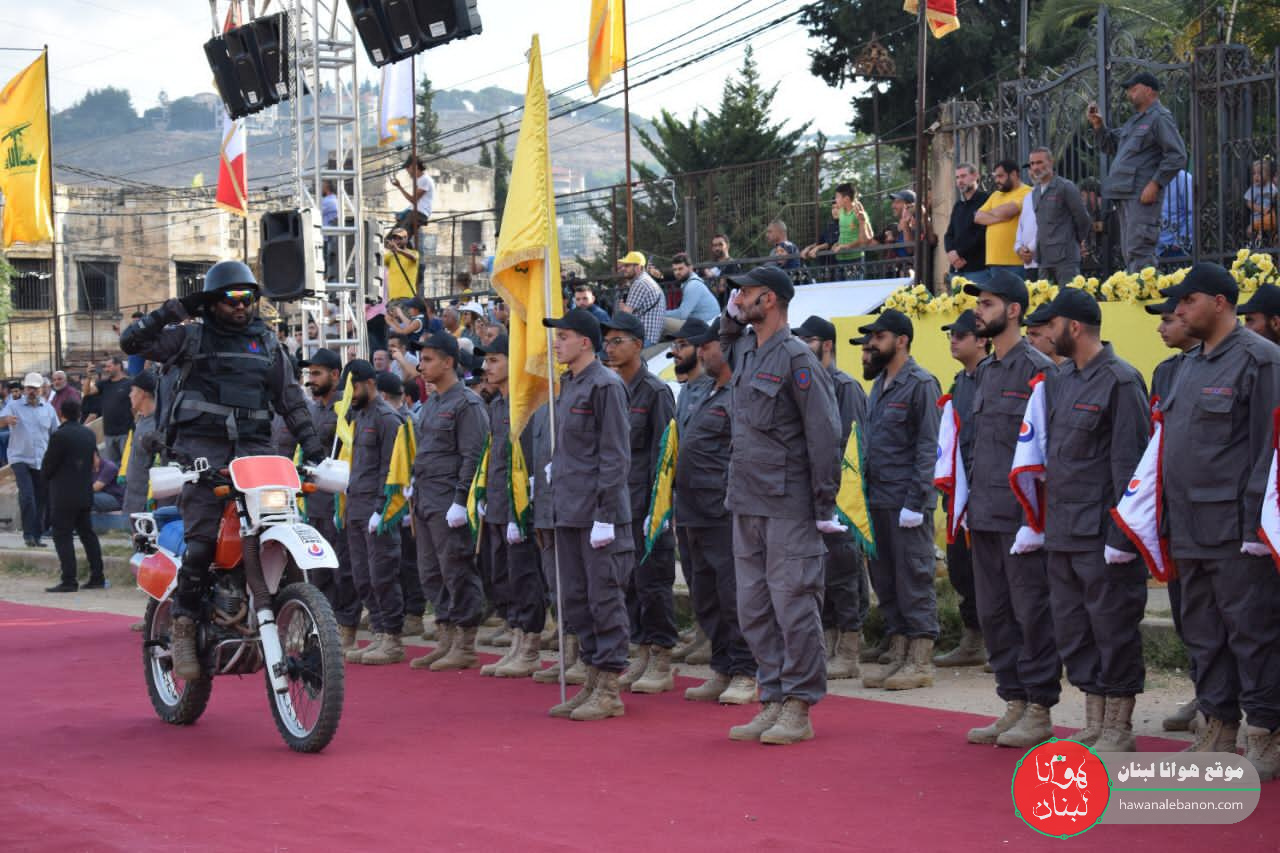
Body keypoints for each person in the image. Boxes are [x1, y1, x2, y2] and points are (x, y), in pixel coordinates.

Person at [120, 260, 326, 681]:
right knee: (201, 544)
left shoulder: (266, 344)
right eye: (232, 298)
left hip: (254, 454)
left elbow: (291, 402)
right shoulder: (188, 337)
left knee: (278, 529)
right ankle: (183, 625)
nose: (241, 305)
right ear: (213, 301)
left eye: (248, 297)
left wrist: (316, 451)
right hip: (200, 455)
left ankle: (297, 618)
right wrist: (175, 309)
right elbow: (133, 342)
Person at [1158, 263, 1280, 780]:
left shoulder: (1261, 360)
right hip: (1189, 528)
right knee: (1203, 634)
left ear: (1219, 302)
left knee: (1252, 634)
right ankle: (1219, 729)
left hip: (1235, 531)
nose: (1179, 309)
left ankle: (1266, 733)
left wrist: (1257, 527)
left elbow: (1270, 447)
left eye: (1188, 300)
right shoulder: (1188, 366)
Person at [719, 266, 841, 745]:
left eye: (746, 292)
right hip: (746, 500)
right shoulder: (748, 351)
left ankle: (799, 705)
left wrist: (823, 504)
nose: (737, 298)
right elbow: (725, 336)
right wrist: (731, 315)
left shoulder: (797, 358)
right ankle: (771, 697)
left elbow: (824, 435)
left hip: (788, 503)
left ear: (769, 299)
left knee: (794, 606)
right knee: (754, 608)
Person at [1038, 288, 1150, 752]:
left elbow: (1130, 466)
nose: (1046, 333)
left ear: (1074, 327)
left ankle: (1118, 726)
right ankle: (1095, 717)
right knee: (1072, 627)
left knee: (1113, 626)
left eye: (1051, 324)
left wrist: (1122, 537)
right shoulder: (1062, 378)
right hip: (1063, 529)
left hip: (1102, 534)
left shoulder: (1121, 381)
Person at [962, 270, 1061, 747]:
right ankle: (1014, 703)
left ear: (1014, 310)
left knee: (1031, 615)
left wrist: (1036, 522)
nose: (978, 311)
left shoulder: (1040, 371)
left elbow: (1049, 452)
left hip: (1022, 521)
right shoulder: (986, 371)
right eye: (978, 303)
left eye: (987, 303)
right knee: (994, 615)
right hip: (984, 513)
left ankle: (1039, 709)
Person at [540, 308, 634, 721]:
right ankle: (593, 678)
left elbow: (615, 455)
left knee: (604, 599)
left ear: (584, 342)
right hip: (569, 510)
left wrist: (606, 514)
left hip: (598, 514)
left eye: (563, 337)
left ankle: (610, 687)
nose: (556, 343)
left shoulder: (605, 385)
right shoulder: (570, 383)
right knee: (576, 600)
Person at [856, 310, 942, 691]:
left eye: (880, 336)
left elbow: (929, 446)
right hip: (878, 499)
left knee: (914, 577)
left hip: (907, 502)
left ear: (902, 340)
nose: (872, 343)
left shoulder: (921, 384)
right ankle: (899, 651)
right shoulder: (880, 384)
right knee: (886, 580)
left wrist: (917, 500)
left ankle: (920, 660)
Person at [676, 317, 757, 703]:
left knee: (733, 594)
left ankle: (746, 671)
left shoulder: (740, 393)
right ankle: (722, 667)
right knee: (705, 595)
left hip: (723, 512)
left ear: (724, 349)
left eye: (706, 346)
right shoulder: (706, 392)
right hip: (692, 511)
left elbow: (744, 451)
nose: (702, 353)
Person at [602, 312, 678, 694]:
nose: (610, 348)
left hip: (647, 504)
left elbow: (665, 453)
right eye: (607, 342)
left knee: (653, 584)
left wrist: (658, 508)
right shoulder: (613, 388)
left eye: (618, 341)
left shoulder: (655, 392)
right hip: (620, 504)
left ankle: (662, 657)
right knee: (628, 584)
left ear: (638, 344)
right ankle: (642, 650)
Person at [793, 315, 870, 681]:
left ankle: (850, 647)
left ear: (826, 345)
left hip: (841, 493)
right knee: (819, 572)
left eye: (807, 340)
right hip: (810, 491)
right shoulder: (805, 384)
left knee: (844, 570)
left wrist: (838, 491)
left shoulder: (845, 387)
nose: (801, 347)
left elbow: (853, 446)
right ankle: (827, 641)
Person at [408, 332, 490, 672]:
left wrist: (461, 499)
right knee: (430, 572)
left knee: (457, 569)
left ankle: (465, 643)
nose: (421, 366)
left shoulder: (467, 404)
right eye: (421, 359)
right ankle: (445, 638)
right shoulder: (431, 404)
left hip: (448, 501)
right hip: (426, 499)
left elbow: (473, 455)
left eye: (428, 359)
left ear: (449, 362)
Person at [1143, 295, 1199, 732]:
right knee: (1187, 612)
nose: (1162, 328)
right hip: (1173, 509)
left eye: (1168, 319)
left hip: (1215, 511)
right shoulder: (1164, 371)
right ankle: (1204, 693)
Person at [476, 333, 547, 678]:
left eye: (494, 360)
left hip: (521, 505)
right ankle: (516, 637)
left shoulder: (527, 403)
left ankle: (530, 646)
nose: (486, 367)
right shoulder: (496, 406)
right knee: (502, 575)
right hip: (498, 503)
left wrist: (526, 503)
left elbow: (531, 458)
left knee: (525, 575)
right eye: (486, 360)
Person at [340, 360, 410, 666]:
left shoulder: (387, 418)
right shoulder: (358, 416)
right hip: (356, 506)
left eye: (353, 387)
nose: (350, 395)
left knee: (383, 574)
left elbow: (390, 469)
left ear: (370, 383)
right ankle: (379, 632)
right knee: (362, 576)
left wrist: (382, 507)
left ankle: (392, 638)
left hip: (376, 509)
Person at [933, 310, 989, 667]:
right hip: (960, 494)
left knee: (992, 572)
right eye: (950, 335)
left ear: (981, 340)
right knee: (960, 568)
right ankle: (972, 640)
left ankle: (1002, 642)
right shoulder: (960, 382)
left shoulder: (993, 377)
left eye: (960, 335)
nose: (953, 341)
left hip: (989, 490)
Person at [1088, 72, 1188, 271]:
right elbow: (1111, 145)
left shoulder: (1160, 117)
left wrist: (1155, 184)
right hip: (1125, 193)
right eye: (1129, 91)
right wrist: (1098, 125)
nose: (1129, 94)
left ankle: (1146, 290)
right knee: (1130, 252)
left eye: (1134, 89)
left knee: (1139, 251)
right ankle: (1138, 288)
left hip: (1141, 195)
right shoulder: (1135, 122)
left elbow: (1178, 155)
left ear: (1149, 90)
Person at [298, 348, 361, 650]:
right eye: (309, 374)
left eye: (317, 373)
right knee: (317, 568)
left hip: (339, 501)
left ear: (335, 375)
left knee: (342, 568)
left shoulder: (346, 409)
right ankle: (323, 625)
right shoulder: (312, 411)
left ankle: (347, 626)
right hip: (314, 500)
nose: (311, 379)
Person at [41, 399, 105, 592]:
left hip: (63, 494)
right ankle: (97, 576)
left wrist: (45, 478)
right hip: (84, 491)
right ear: (79, 414)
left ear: (61, 414)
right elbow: (94, 461)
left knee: (63, 535)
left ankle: (69, 579)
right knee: (88, 534)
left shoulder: (59, 435)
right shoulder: (88, 433)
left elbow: (49, 465)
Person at [0, 372, 57, 548]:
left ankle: (37, 536)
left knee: (40, 499)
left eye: (35, 388)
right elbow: (1, 421)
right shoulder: (13, 405)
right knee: (27, 497)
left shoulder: (48, 409)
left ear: (41, 390)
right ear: (25, 389)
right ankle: (28, 534)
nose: (31, 391)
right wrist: (5, 420)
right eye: (29, 388)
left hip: (41, 460)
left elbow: (56, 433)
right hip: (20, 458)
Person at [1027, 146, 1092, 283]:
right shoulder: (1035, 192)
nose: (1035, 167)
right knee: (1043, 296)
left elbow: (1083, 219)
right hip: (1043, 259)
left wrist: (1076, 241)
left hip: (1065, 258)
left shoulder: (1065, 186)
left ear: (1051, 162)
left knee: (1068, 295)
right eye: (1032, 164)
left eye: (1039, 162)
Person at [973, 161, 1032, 283]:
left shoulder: (1027, 191)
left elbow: (1010, 210)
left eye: (1000, 176)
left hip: (1016, 261)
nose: (997, 180)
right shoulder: (995, 195)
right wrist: (1001, 217)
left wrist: (991, 214)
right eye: (995, 177)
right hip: (994, 262)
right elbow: (977, 217)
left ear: (1014, 174)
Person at [122, 370, 160, 517]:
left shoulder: (156, 426)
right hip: (132, 499)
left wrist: (151, 499)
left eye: (132, 390)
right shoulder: (140, 421)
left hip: (146, 505)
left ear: (142, 393)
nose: (130, 395)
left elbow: (158, 465)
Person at [944, 164, 989, 278]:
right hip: (956, 268)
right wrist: (951, 254)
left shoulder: (986, 200)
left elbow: (982, 233)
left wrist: (959, 253)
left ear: (975, 176)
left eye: (963, 176)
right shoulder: (958, 205)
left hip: (978, 268)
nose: (960, 181)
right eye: (957, 177)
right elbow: (949, 234)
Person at [616, 251, 664, 346]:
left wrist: (622, 308)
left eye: (627, 266)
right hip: (649, 337)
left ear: (638, 267)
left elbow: (625, 315)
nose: (623, 269)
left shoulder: (640, 283)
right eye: (624, 266)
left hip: (643, 339)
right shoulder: (645, 280)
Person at [662, 253, 719, 332]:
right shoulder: (689, 282)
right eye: (675, 270)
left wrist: (660, 313)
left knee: (660, 320)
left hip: (706, 327)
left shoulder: (693, 285)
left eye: (680, 269)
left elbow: (682, 314)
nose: (677, 272)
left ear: (690, 268)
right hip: (702, 324)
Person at [94, 356, 134, 464]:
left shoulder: (130, 383)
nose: (106, 369)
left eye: (109, 366)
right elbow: (87, 392)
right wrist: (88, 377)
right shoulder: (104, 384)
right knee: (112, 467)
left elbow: (136, 407)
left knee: (126, 465)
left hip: (125, 433)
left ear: (118, 366)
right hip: (108, 433)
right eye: (105, 367)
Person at [830, 183, 875, 271]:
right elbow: (846, 233)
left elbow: (868, 238)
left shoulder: (859, 213)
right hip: (840, 258)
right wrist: (837, 243)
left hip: (855, 259)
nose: (835, 200)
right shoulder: (840, 211)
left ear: (846, 199)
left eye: (837, 197)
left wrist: (847, 246)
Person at [392, 153, 435, 237]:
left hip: (419, 213)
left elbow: (413, 200)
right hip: (412, 212)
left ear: (414, 167)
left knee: (399, 237)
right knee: (392, 238)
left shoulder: (425, 180)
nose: (407, 171)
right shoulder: (419, 180)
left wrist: (400, 187)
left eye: (407, 168)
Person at [1158, 168, 1194, 259]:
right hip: (1152, 248)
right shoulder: (1148, 177)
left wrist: (1179, 243)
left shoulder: (1183, 178)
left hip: (1175, 248)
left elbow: (1193, 213)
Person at [1246, 159, 1278, 244]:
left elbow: (1276, 198)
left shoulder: (1272, 187)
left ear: (1267, 175)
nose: (1256, 176)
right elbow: (1249, 203)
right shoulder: (1253, 189)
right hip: (1257, 216)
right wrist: (1261, 209)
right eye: (1254, 174)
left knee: (1269, 231)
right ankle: (1253, 243)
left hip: (1269, 215)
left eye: (1259, 173)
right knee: (1255, 232)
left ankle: (1270, 242)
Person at [384, 229, 420, 303]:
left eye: (400, 238)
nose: (397, 241)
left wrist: (398, 250)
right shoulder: (389, 255)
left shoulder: (414, 253)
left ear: (406, 239)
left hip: (408, 297)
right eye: (395, 238)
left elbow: (413, 257)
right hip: (393, 298)